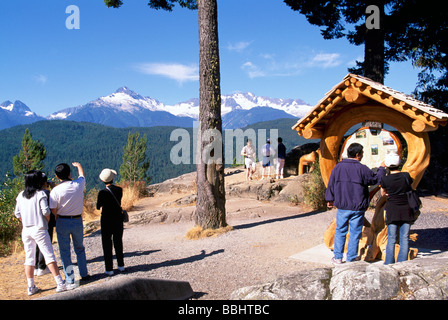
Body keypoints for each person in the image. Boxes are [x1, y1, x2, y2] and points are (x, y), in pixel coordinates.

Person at [325, 143, 386, 264]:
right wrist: (382, 168)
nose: (362, 156)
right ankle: (351, 258)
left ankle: (337, 257)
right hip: (358, 206)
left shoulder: (338, 168)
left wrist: (330, 199)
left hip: (342, 205)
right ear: (358, 155)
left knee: (340, 231)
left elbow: (331, 184)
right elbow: (375, 179)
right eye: (362, 153)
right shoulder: (362, 168)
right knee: (355, 232)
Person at [14, 170, 67, 296]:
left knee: (29, 258)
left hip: (26, 229)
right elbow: (46, 212)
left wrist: (25, 220)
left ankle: (31, 286)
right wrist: (46, 221)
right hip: (40, 228)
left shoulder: (21, 195)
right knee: (49, 255)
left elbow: (17, 213)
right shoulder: (40, 194)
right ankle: (60, 283)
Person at [49, 162, 89, 288]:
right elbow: (82, 175)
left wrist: (56, 221)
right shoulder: (78, 184)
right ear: (69, 173)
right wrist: (79, 166)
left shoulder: (55, 191)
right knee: (79, 248)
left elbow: (53, 210)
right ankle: (84, 274)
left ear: (57, 177)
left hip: (62, 221)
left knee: (65, 251)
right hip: (77, 220)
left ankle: (71, 279)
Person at [381, 153, 415, 265]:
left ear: (387, 165)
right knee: (404, 237)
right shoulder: (406, 176)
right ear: (399, 163)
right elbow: (410, 186)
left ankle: (389, 263)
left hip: (392, 209)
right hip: (406, 208)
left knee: (391, 238)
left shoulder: (385, 179)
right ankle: (402, 263)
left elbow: (383, 193)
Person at [96, 168, 125, 276]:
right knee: (118, 241)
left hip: (106, 219)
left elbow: (98, 207)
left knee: (107, 243)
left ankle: (109, 269)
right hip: (118, 218)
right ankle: (121, 265)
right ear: (113, 179)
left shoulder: (102, 193)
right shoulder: (119, 190)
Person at [34, 173, 56, 276]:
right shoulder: (46, 193)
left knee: (36, 245)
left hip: (33, 223)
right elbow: (52, 206)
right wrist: (53, 188)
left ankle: (36, 266)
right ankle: (42, 267)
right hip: (45, 223)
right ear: (44, 182)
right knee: (45, 244)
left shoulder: (31, 193)